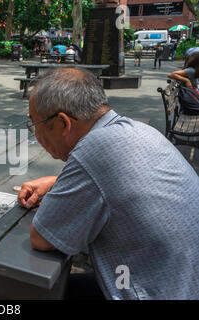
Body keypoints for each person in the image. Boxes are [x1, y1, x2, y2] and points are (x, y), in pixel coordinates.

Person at [20, 67, 199, 300]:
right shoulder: (141, 130)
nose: (35, 133)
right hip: (181, 283)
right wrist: (57, 182)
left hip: (153, 291)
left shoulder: (93, 150)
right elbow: (120, 182)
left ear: (63, 123)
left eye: (35, 124)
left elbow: (42, 238)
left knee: (28, 290)